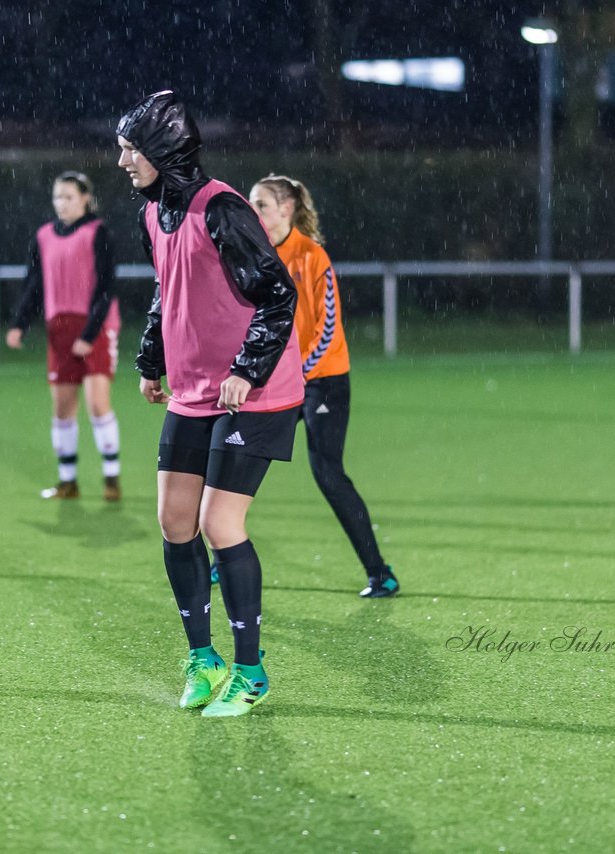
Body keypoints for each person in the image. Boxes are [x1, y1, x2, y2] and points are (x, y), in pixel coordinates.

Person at [117, 91, 304, 718]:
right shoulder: (152, 215)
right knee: (175, 524)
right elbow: (165, 293)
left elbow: (279, 297)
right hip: (196, 393)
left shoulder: (221, 208)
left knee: (221, 525)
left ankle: (251, 673)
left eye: (130, 150)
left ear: (164, 150)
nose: (122, 162)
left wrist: (247, 372)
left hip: (258, 394)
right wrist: (152, 360)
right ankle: (205, 659)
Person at [248, 175, 399, 598]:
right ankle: (226, 556)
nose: (252, 211)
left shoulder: (312, 258)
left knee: (327, 474)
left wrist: (296, 372)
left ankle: (379, 572)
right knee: (239, 464)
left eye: (260, 204)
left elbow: (328, 329)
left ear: (286, 209)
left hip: (322, 382)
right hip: (274, 380)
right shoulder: (253, 256)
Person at [6, 171, 123, 500]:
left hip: (95, 326)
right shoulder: (44, 235)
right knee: (62, 407)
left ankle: (111, 478)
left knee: (97, 405)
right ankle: (67, 480)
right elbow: (34, 284)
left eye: (69, 197)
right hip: (59, 328)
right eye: (58, 197)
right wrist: (19, 323)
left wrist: (89, 332)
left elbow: (105, 287)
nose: (62, 203)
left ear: (85, 198)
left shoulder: (98, 232)